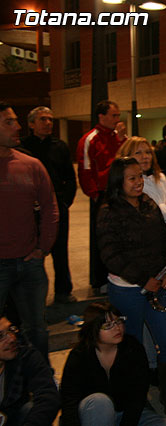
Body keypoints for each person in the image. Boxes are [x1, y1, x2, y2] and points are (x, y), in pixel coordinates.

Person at [96, 157, 166, 417]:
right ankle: (136, 396)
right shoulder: (109, 210)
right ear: (119, 182)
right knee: (130, 347)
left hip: (158, 285)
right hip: (127, 289)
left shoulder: (149, 204)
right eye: (132, 178)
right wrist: (143, 278)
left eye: (140, 176)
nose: (138, 182)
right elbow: (111, 255)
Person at [0, 101, 59, 361]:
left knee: (37, 329)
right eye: (8, 122)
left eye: (16, 120)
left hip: (30, 263)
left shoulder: (31, 165)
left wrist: (42, 247)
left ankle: (41, 381)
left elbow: (50, 208)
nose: (18, 126)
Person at [60, 302, 166, 426]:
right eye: (108, 325)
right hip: (90, 415)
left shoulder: (132, 348)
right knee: (100, 401)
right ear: (93, 329)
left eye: (118, 321)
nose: (117, 328)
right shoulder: (80, 356)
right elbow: (69, 400)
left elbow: (138, 394)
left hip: (125, 413)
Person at [21, 106, 78, 304]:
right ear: (31, 124)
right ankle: (33, 296)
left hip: (56, 206)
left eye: (50, 120)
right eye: (43, 119)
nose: (48, 123)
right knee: (33, 251)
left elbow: (70, 178)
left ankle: (63, 291)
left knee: (60, 250)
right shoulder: (23, 147)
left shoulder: (60, 146)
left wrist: (64, 202)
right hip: (31, 209)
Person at [76, 100, 126, 293]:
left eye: (118, 116)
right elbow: (85, 169)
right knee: (103, 238)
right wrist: (94, 194)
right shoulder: (90, 139)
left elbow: (126, 160)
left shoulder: (119, 137)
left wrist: (121, 140)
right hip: (103, 194)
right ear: (101, 116)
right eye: (114, 115)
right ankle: (101, 280)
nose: (117, 119)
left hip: (121, 192)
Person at [117, 137, 166, 247]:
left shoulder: (159, 177)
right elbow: (143, 215)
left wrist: (160, 208)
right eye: (138, 153)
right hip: (145, 244)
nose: (145, 157)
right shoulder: (129, 185)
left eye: (148, 152)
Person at [0, 316, 60, 426]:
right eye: (0, 336)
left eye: (11, 330)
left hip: (14, 420)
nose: (11, 339)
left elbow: (48, 395)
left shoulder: (25, 354)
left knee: (30, 409)